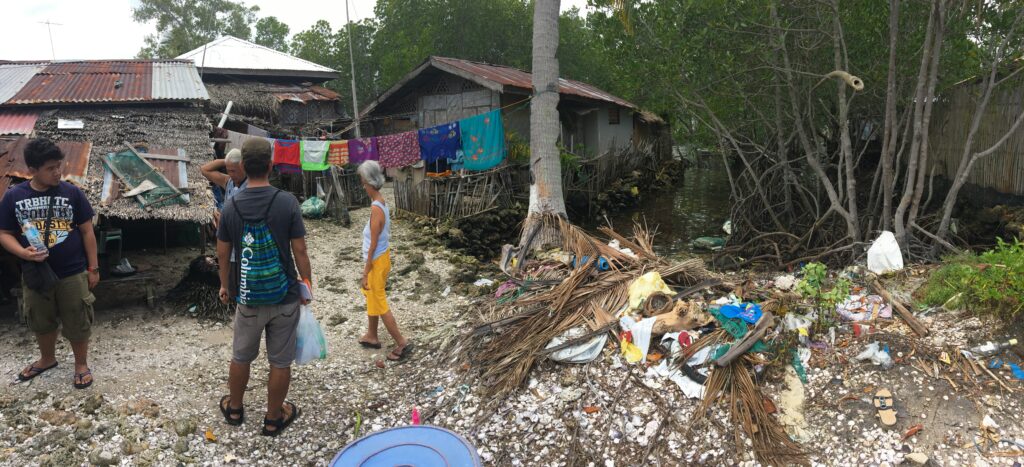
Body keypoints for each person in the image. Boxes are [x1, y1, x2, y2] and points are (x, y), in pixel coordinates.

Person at [216, 138, 311, 436]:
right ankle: (272, 418)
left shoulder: (230, 205)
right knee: (280, 361)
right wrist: (307, 285)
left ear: (243, 167)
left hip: (247, 297)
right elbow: (300, 250)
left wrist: (224, 285)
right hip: (284, 296)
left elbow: (223, 253)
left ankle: (235, 409)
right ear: (271, 165)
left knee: (241, 356)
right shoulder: (287, 202)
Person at [0, 138, 99, 389]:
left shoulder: (72, 193)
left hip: (73, 272)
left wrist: (93, 268)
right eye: (50, 168)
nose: (58, 172)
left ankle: (81, 365)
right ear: (32, 170)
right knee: (40, 320)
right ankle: (47, 359)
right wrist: (23, 253)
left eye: (58, 166)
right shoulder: (14, 196)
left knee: (78, 319)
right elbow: (4, 233)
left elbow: (87, 232)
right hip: (36, 272)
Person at [356, 161, 411, 361]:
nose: (363, 186)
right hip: (382, 258)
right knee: (372, 295)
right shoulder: (380, 201)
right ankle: (372, 335)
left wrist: (365, 272)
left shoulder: (376, 208)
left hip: (377, 261)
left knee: (379, 301)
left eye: (363, 182)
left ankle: (401, 342)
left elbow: (372, 245)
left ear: (369, 182)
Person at [202, 148, 247, 229]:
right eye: (228, 171)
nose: (231, 174)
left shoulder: (250, 186)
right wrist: (226, 161)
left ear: (243, 166)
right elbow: (204, 170)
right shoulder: (229, 182)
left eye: (233, 171)